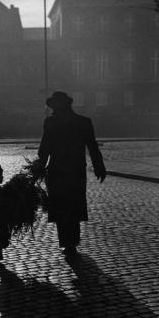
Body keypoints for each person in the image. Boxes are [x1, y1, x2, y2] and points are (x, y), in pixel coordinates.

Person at [38, 91, 106, 261]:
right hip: (76, 171)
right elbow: (92, 147)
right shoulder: (83, 122)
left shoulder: (51, 122)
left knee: (60, 207)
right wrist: (99, 167)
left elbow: (44, 149)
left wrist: (39, 168)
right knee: (74, 206)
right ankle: (72, 242)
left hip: (57, 171)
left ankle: (66, 242)